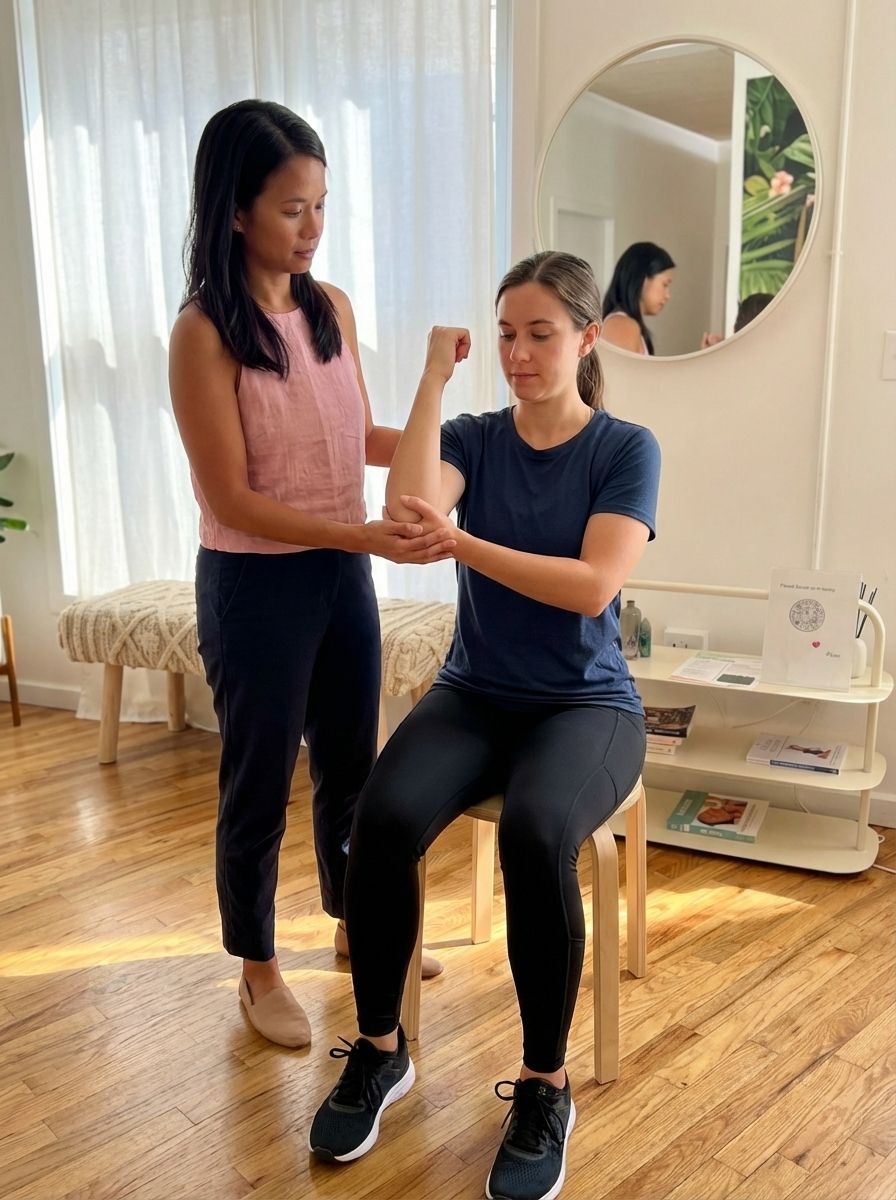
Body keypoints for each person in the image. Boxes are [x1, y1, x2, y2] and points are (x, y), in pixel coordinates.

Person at [309, 251, 660, 1200]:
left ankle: (545, 1088)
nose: (518, 353)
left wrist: (462, 544)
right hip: (476, 694)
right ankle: (381, 1048)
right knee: (378, 822)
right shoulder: (474, 435)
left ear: (588, 338)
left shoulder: (626, 450)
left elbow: (592, 585)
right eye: (506, 334)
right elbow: (408, 509)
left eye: (540, 334)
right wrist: (433, 375)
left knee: (537, 836)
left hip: (587, 705)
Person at [168, 99, 448, 1050]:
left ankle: (354, 925)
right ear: (234, 210)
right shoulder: (205, 332)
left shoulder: (330, 308)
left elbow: (357, 436)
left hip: (340, 575)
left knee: (351, 766)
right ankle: (257, 968)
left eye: (321, 205)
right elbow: (233, 497)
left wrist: (457, 435)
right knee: (257, 781)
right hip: (255, 585)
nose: (312, 227)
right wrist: (358, 534)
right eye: (292, 209)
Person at [600, 241, 675, 355]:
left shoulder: (626, 324)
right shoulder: (623, 325)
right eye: (665, 284)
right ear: (643, 279)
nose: (668, 295)